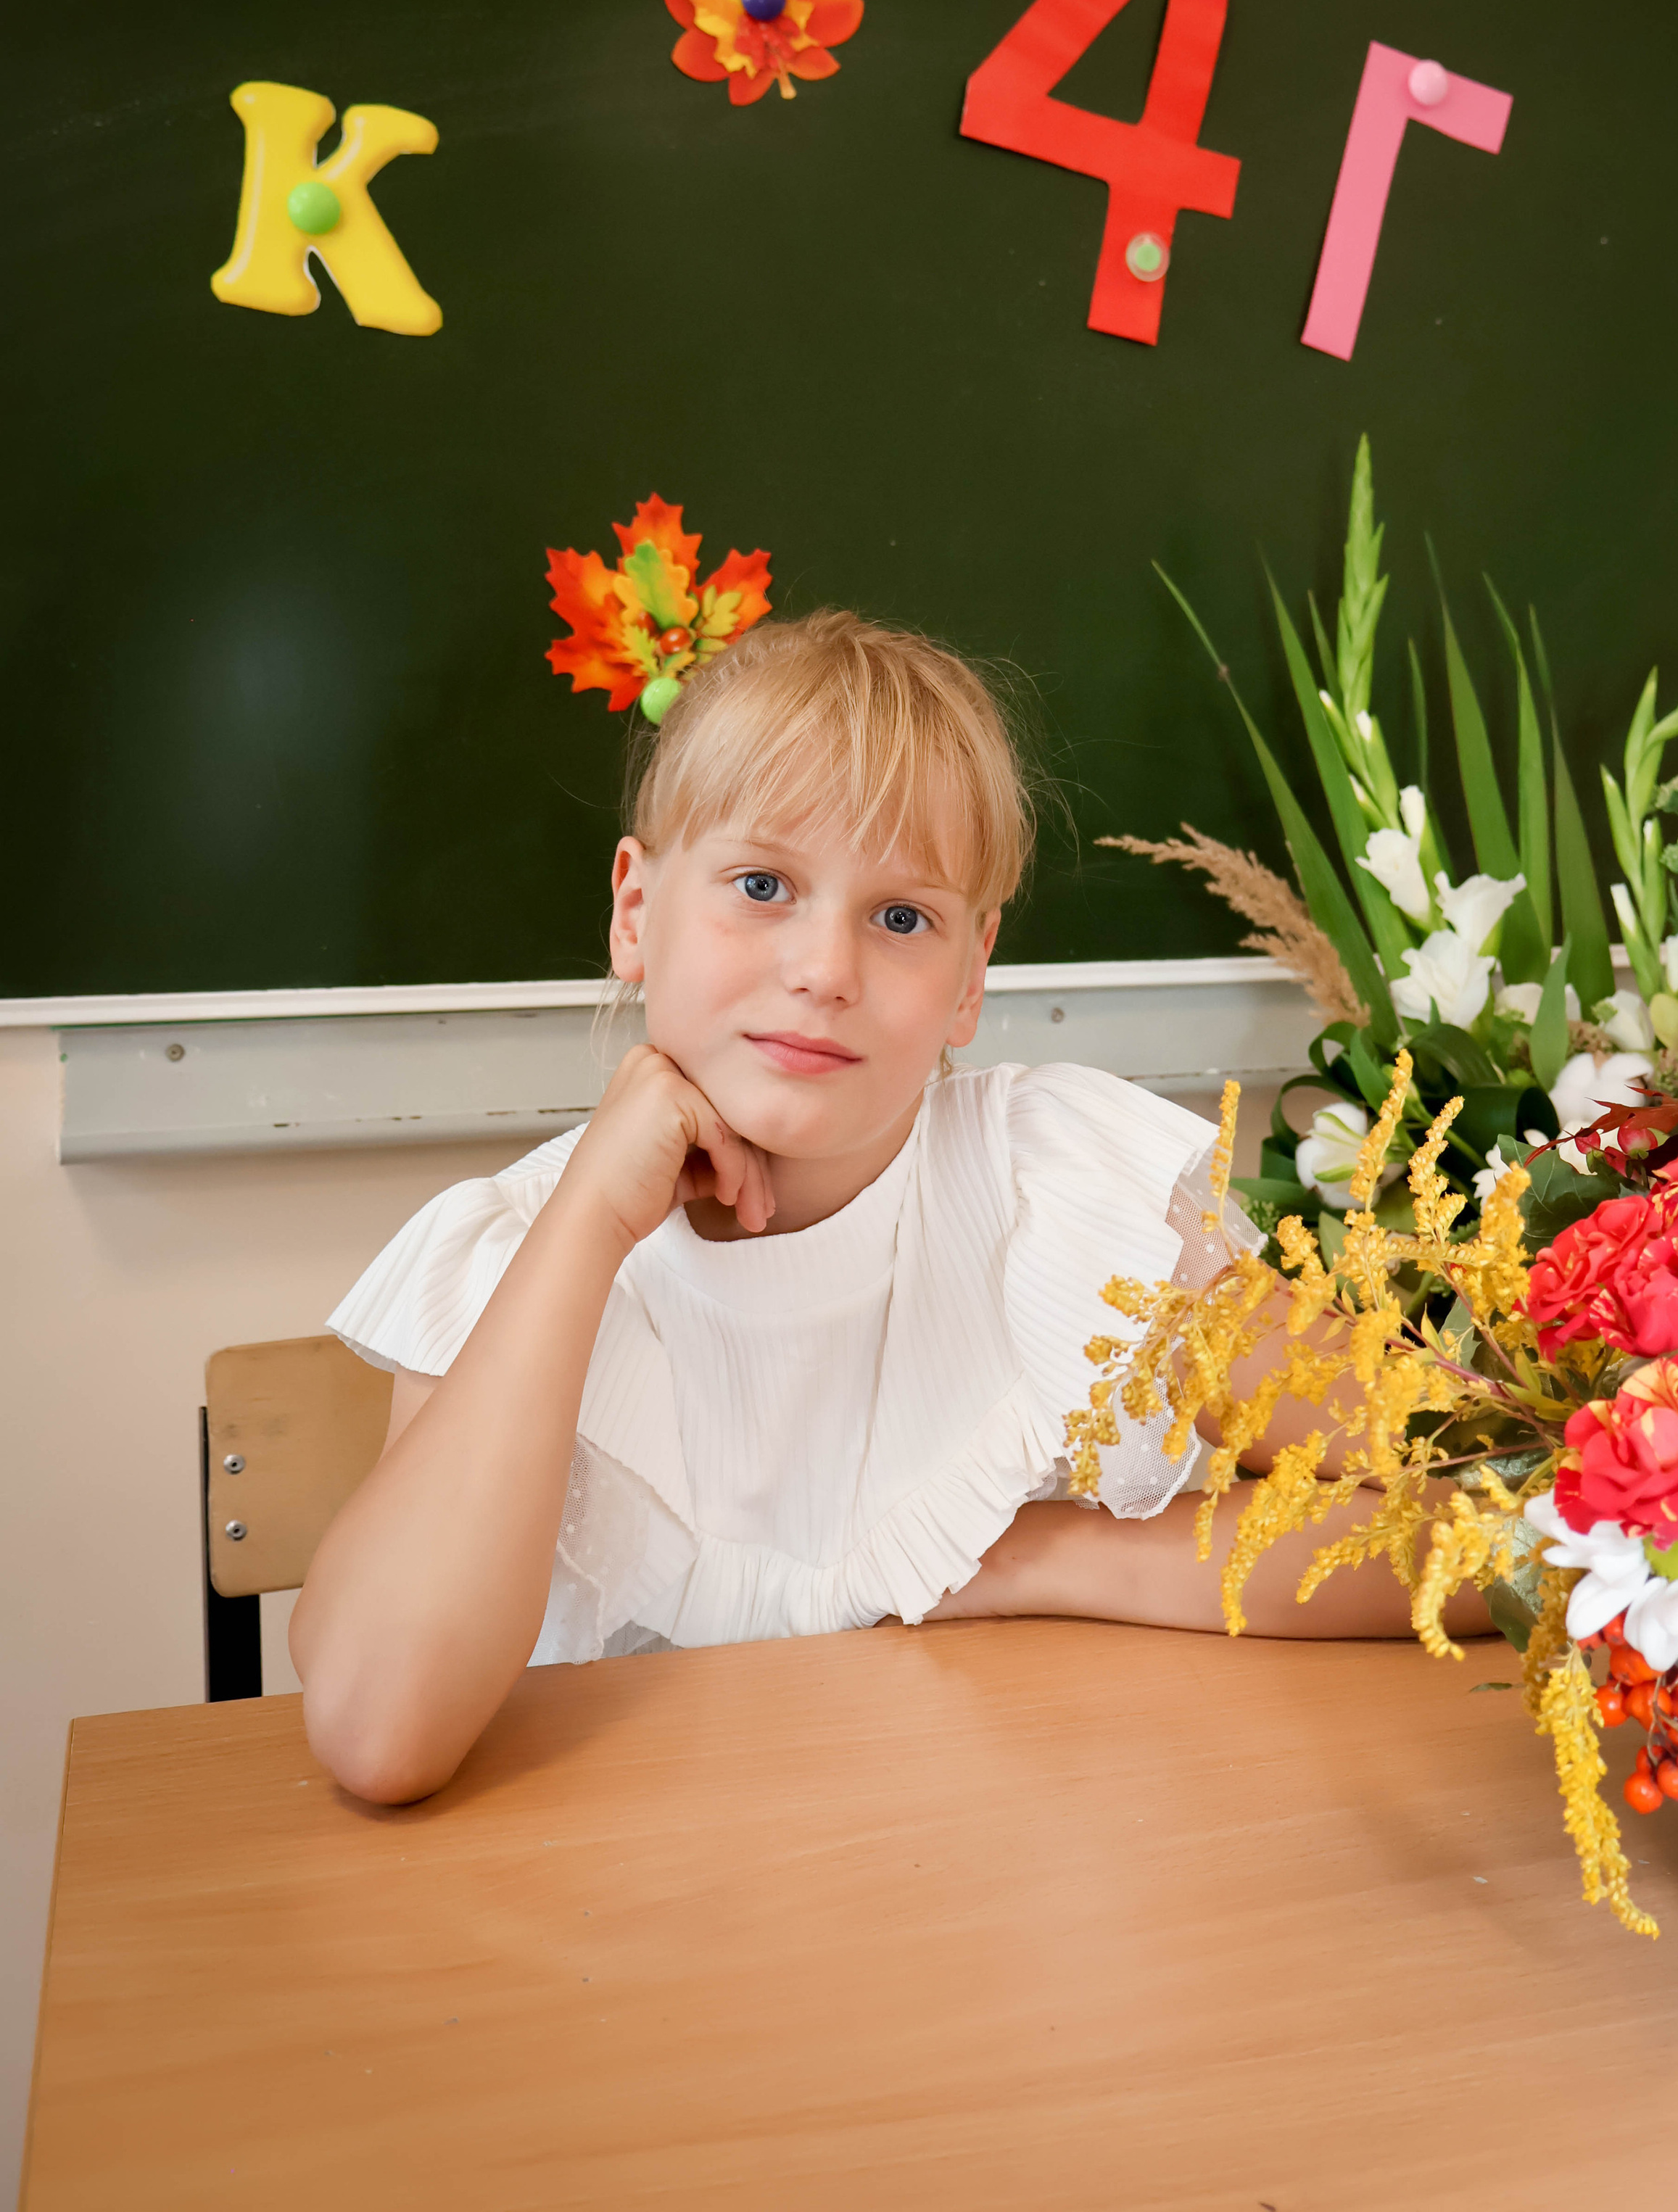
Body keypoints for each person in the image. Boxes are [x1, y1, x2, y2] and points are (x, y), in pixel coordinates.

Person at [292, 610, 1484, 1804]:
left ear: (971, 977)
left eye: (902, 918)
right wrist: (590, 1221)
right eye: (762, 885)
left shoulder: (1057, 1194)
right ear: (633, 910)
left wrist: (1027, 1557)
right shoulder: (516, 1250)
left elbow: (1510, 1505)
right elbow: (378, 1729)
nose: (826, 970)